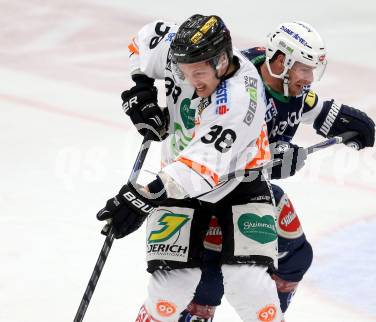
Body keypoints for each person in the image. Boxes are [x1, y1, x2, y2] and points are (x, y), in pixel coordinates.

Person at [178, 21, 376, 321]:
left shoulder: (283, 81)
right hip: (207, 194)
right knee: (208, 283)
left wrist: (345, 121)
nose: (309, 79)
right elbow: (210, 151)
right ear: (281, 61)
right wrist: (268, 157)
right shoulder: (237, 87)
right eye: (304, 69)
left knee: (295, 257)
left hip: (250, 193)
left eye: (312, 69)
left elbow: (304, 106)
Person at [97, 14, 286, 322]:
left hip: (239, 183)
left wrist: (143, 196)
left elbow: (200, 167)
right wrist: (142, 89)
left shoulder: (240, 98)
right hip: (176, 177)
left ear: (222, 61)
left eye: (197, 73)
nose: (189, 81)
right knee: (170, 289)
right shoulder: (180, 53)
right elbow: (144, 40)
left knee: (248, 284)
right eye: (182, 73)